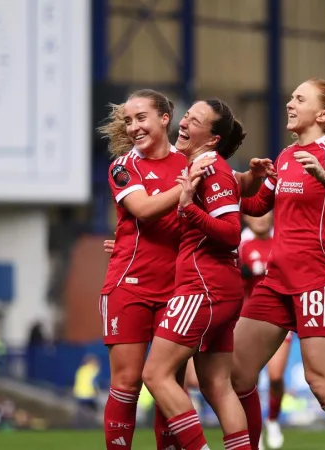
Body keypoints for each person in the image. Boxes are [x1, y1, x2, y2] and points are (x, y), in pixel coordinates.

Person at [97, 89, 271, 450]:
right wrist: (187, 188)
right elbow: (144, 210)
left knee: (169, 385)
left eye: (141, 118)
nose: (133, 127)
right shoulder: (124, 166)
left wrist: (255, 177)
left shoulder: (191, 159)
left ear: (165, 119)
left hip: (179, 288)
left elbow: (234, 184)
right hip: (130, 284)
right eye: (128, 121)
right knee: (128, 383)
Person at [232, 78, 325, 449]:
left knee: (321, 383)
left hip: (319, 279)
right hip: (276, 281)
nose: (290, 103)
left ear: (322, 115)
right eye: (291, 97)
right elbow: (258, 206)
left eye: (299, 99)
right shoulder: (286, 156)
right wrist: (225, 190)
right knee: (237, 374)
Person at [142, 98, 252, 450]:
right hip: (220, 289)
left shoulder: (211, 169)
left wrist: (189, 208)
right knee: (217, 386)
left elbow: (231, 233)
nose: (185, 123)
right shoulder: (204, 168)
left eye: (195, 120)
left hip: (203, 288)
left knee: (155, 374)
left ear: (213, 138)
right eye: (187, 115)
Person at [239, 213, 288, 449]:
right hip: (250, 320)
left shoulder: (282, 241)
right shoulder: (240, 244)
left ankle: (273, 420)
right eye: (254, 215)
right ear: (245, 218)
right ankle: (254, 434)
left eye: (265, 213)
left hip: (280, 319)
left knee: (276, 377)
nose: (260, 219)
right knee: (250, 381)